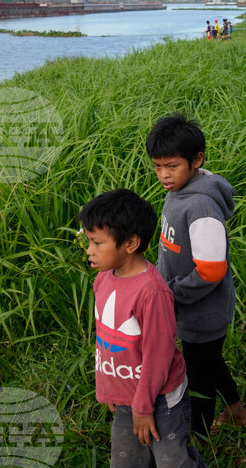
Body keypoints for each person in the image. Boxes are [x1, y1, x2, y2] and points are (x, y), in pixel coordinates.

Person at [145, 115, 246, 439]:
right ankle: (237, 412)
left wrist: (170, 293)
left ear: (197, 160)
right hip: (187, 307)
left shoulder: (201, 207)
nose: (163, 175)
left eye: (172, 166)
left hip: (202, 312)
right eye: (157, 166)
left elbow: (211, 271)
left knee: (199, 379)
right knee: (208, 360)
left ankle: (199, 438)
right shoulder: (179, 190)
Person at [80, 189, 204, 467]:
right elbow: (105, 339)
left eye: (97, 243)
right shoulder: (103, 279)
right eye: (88, 241)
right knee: (127, 459)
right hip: (126, 395)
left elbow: (158, 356)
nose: (89, 250)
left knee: (172, 460)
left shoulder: (151, 293)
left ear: (131, 243)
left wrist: (143, 407)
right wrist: (111, 389)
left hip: (159, 400)